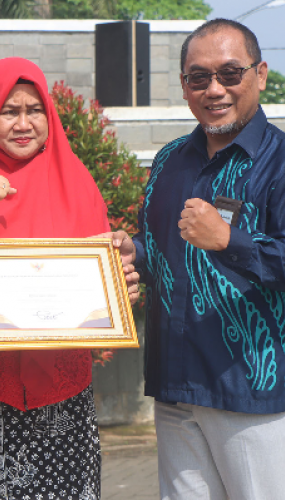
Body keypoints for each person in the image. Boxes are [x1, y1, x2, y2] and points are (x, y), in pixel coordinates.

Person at [0, 57, 139, 500]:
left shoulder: (76, 179)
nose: (23, 123)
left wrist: (116, 290)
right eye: (8, 111)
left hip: (62, 387)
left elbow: (94, 279)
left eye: (34, 110)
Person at [127, 19, 285, 500]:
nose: (214, 89)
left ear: (259, 74)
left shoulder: (280, 163)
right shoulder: (171, 160)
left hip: (252, 396)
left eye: (229, 73)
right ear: (184, 86)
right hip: (175, 389)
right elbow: (158, 251)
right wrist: (128, 254)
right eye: (199, 77)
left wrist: (229, 240)